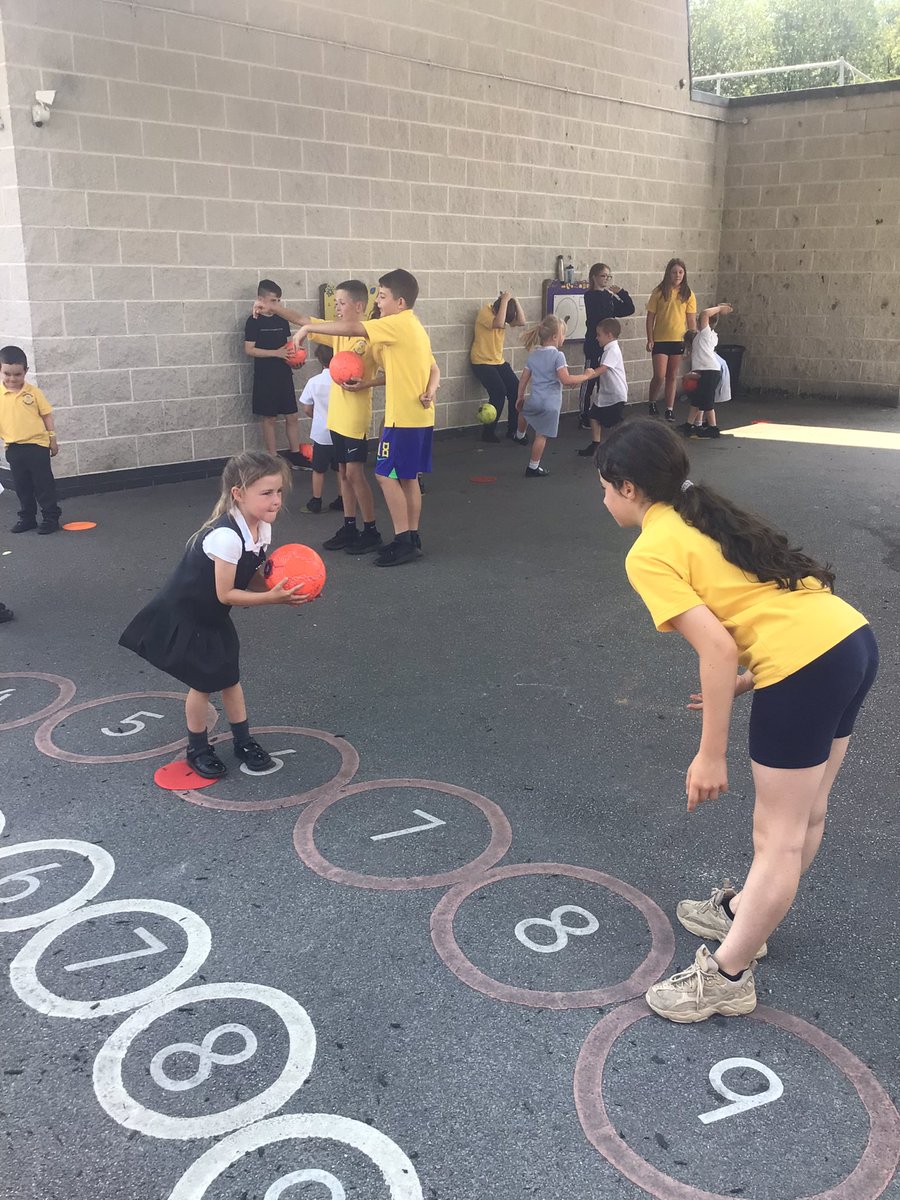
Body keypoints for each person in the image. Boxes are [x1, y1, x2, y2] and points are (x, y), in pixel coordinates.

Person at [596, 421, 878, 1023]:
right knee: (808, 813)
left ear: (627, 487)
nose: (602, 500)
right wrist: (754, 676)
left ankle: (728, 974)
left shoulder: (648, 550)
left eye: (604, 487)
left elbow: (718, 648)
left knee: (777, 834)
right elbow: (757, 608)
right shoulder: (702, 511)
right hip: (849, 640)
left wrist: (710, 753)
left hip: (806, 667)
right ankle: (746, 911)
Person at [119, 451, 311, 780]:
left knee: (230, 678)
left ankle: (243, 741)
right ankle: (197, 748)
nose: (276, 500)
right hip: (186, 616)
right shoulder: (224, 537)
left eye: (279, 491)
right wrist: (272, 598)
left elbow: (247, 574)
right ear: (238, 494)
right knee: (203, 684)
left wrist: (278, 585)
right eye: (266, 493)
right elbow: (227, 593)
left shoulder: (260, 528)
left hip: (212, 616)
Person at [292, 269, 440, 568]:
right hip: (419, 416)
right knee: (408, 478)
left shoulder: (396, 323)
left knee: (385, 475)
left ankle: (403, 540)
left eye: (383, 297)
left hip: (404, 419)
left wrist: (307, 330)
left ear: (400, 302)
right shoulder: (413, 327)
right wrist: (430, 390)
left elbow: (356, 329)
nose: (379, 303)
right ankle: (411, 536)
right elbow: (434, 368)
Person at [265, 281, 384, 557]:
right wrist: (272, 306)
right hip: (336, 419)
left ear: (358, 306)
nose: (337, 309)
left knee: (355, 474)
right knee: (343, 473)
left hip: (355, 418)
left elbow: (391, 373)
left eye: (342, 304)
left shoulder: (369, 336)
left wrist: (367, 383)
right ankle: (350, 526)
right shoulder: (338, 334)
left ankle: (371, 530)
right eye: (336, 304)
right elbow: (304, 319)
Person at [515, 315, 599, 478]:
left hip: (535, 399)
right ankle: (533, 467)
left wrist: (520, 396)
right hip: (550, 404)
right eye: (563, 334)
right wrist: (585, 376)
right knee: (541, 436)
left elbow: (524, 378)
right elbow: (566, 379)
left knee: (524, 410)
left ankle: (520, 434)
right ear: (555, 337)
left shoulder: (534, 354)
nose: (564, 338)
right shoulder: (558, 356)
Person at [0, 345, 61, 534]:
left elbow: (47, 416)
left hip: (37, 446)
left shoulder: (34, 393)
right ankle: (27, 518)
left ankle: (51, 518)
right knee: (22, 486)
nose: (12, 379)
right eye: (7, 374)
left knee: (43, 484)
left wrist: (52, 439)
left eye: (17, 374)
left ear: (25, 371)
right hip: (14, 448)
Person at [243, 280, 303, 466]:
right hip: (265, 376)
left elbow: (288, 346)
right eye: (272, 300)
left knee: (292, 415)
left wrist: (294, 361)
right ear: (260, 299)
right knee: (269, 417)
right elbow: (249, 350)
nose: (275, 305)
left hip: (283, 374)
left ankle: (295, 454)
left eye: (278, 301)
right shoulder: (253, 321)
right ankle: (272, 457)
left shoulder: (282, 320)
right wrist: (276, 354)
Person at [578, 264, 635, 432]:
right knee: (589, 380)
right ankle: (583, 415)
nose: (606, 280)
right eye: (603, 276)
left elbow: (628, 309)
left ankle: (600, 413)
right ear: (594, 277)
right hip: (594, 345)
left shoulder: (608, 297)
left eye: (608, 276)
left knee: (605, 381)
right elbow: (600, 313)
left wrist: (621, 293)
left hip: (607, 346)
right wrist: (610, 297)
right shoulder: (591, 296)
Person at [469, 290, 527, 443]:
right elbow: (499, 323)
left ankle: (513, 430)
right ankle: (488, 433)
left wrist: (514, 300)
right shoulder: (485, 312)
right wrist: (505, 301)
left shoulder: (503, 312)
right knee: (499, 392)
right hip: (481, 362)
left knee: (516, 388)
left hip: (498, 361)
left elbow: (521, 322)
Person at [645, 259, 697, 422]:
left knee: (672, 376)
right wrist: (650, 338)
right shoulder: (659, 292)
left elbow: (691, 321)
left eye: (681, 272)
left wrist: (691, 343)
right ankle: (652, 401)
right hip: (660, 340)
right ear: (668, 273)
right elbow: (650, 317)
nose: (677, 275)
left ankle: (669, 408)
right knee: (659, 375)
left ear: (684, 274)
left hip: (678, 340)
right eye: (674, 272)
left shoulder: (688, 294)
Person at [676, 304, 733, 440]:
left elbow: (704, 314)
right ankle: (689, 425)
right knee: (697, 400)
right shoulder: (706, 336)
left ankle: (713, 428)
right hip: (706, 371)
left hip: (710, 372)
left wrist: (720, 308)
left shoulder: (706, 334)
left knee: (707, 402)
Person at [298, 343, 342, 514]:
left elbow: (307, 407)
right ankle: (342, 499)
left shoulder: (314, 382)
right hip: (340, 431)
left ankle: (316, 501)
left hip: (321, 434)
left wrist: (316, 416)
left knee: (318, 469)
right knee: (341, 469)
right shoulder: (342, 381)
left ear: (319, 360)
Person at [576, 318, 628, 457]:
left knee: (616, 423)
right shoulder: (607, 349)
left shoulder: (612, 350)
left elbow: (602, 369)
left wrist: (585, 376)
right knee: (593, 416)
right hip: (606, 392)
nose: (596, 338)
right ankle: (596, 444)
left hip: (615, 393)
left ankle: (622, 447)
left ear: (609, 335)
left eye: (599, 335)